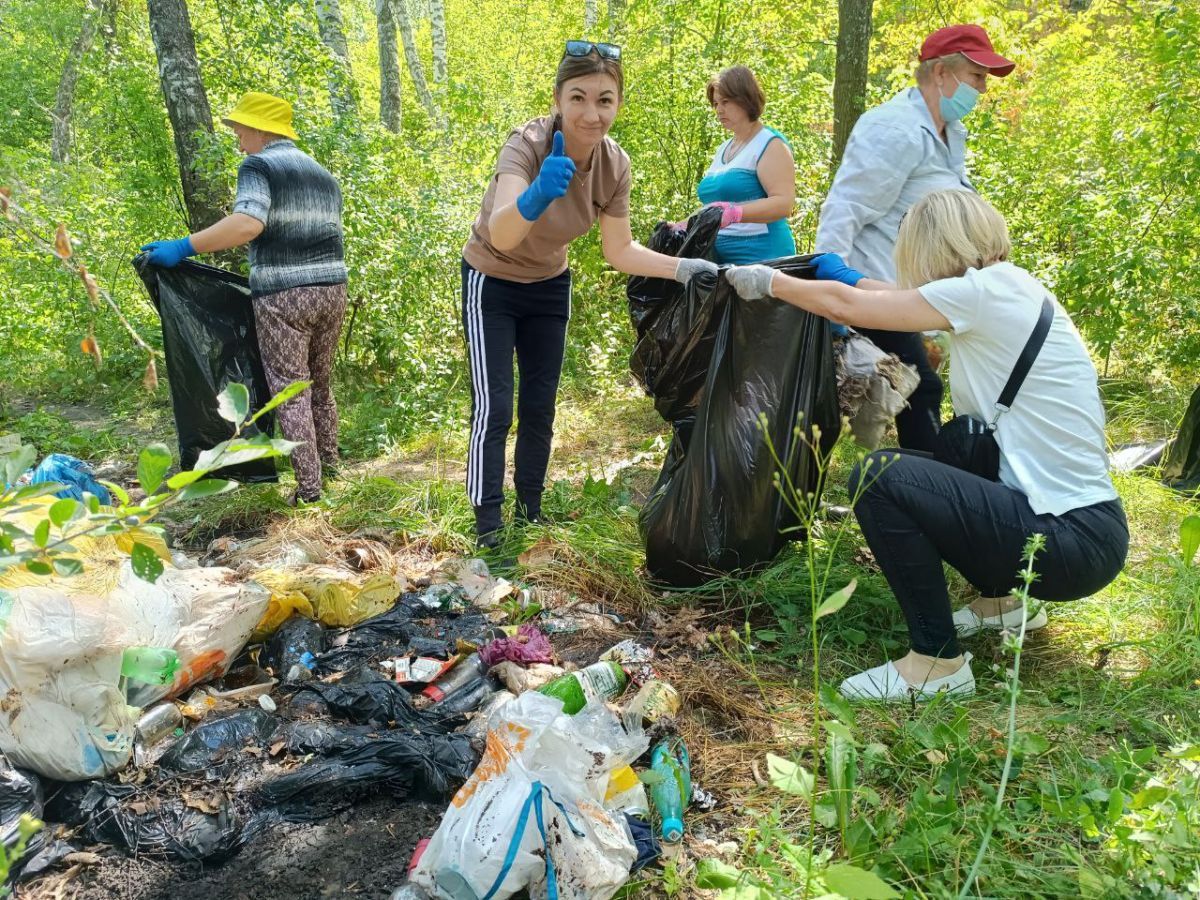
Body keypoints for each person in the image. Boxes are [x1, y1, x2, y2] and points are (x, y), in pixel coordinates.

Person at [724, 189, 1128, 702]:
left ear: (934, 248)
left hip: (1070, 541)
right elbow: (881, 299)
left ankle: (937, 662)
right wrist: (842, 274)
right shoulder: (1007, 288)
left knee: (880, 478)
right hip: (1084, 533)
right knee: (960, 442)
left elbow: (855, 305)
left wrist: (772, 282)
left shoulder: (983, 293)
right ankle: (1004, 604)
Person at [461, 41, 717, 548]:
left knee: (541, 406)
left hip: (550, 285)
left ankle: (530, 512)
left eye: (605, 100)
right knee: (496, 407)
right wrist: (537, 195)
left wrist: (685, 267)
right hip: (491, 280)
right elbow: (503, 231)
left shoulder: (614, 165)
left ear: (618, 104)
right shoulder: (527, 146)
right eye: (578, 98)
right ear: (557, 99)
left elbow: (619, 251)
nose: (591, 113)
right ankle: (488, 525)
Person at [814, 24, 1015, 452]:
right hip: (872, 285)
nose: (982, 89)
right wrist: (831, 299)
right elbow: (844, 207)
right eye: (977, 76)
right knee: (918, 390)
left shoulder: (948, 131)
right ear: (941, 72)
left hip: (914, 289)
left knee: (906, 389)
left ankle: (911, 483)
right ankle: (923, 490)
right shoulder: (895, 129)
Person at [141, 91, 348, 506]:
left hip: (284, 296)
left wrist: (185, 246)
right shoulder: (322, 174)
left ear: (259, 128)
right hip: (333, 289)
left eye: (239, 131)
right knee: (321, 388)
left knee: (292, 392)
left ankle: (310, 492)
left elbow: (247, 224)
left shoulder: (258, 165)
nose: (238, 141)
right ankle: (333, 469)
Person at [676, 65, 796, 264]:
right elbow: (714, 207)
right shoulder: (723, 148)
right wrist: (685, 224)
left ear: (746, 99)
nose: (719, 110)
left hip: (764, 258)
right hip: (720, 262)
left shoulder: (769, 143)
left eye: (725, 101)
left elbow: (784, 203)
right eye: (715, 104)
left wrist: (736, 213)